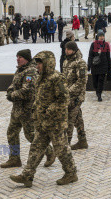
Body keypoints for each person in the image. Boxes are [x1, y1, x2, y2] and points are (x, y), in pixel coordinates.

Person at [10, 51, 77, 188]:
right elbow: (39, 98)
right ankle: (27, 176)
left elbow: (64, 99)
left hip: (55, 122)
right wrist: (36, 110)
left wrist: (49, 110)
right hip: (42, 122)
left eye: (40, 63)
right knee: (35, 148)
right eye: (37, 63)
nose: (37, 66)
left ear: (48, 63)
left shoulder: (57, 78)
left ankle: (71, 173)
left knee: (61, 150)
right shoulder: (40, 78)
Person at [1, 49, 54, 169]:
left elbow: (27, 91)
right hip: (17, 109)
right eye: (17, 56)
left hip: (27, 110)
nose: (18, 59)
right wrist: (10, 91)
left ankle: (50, 152)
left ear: (26, 59)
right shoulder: (20, 70)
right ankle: (14, 159)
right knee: (11, 133)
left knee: (30, 135)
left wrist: (12, 95)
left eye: (20, 57)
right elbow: (13, 85)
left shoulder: (31, 72)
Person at [63, 42, 89, 150]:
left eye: (68, 49)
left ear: (74, 50)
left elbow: (82, 81)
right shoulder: (66, 62)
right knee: (78, 118)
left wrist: (68, 91)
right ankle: (82, 141)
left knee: (69, 119)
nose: (66, 51)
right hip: (67, 95)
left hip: (76, 96)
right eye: (66, 49)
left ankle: (65, 146)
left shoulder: (80, 63)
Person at [88, 31, 111, 102]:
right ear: (98, 37)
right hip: (95, 66)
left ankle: (99, 94)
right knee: (95, 81)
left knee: (101, 80)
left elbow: (108, 56)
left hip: (103, 65)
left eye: (103, 36)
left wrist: (109, 67)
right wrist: (89, 65)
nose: (102, 37)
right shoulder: (93, 44)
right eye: (100, 36)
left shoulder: (106, 44)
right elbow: (90, 56)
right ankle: (97, 91)